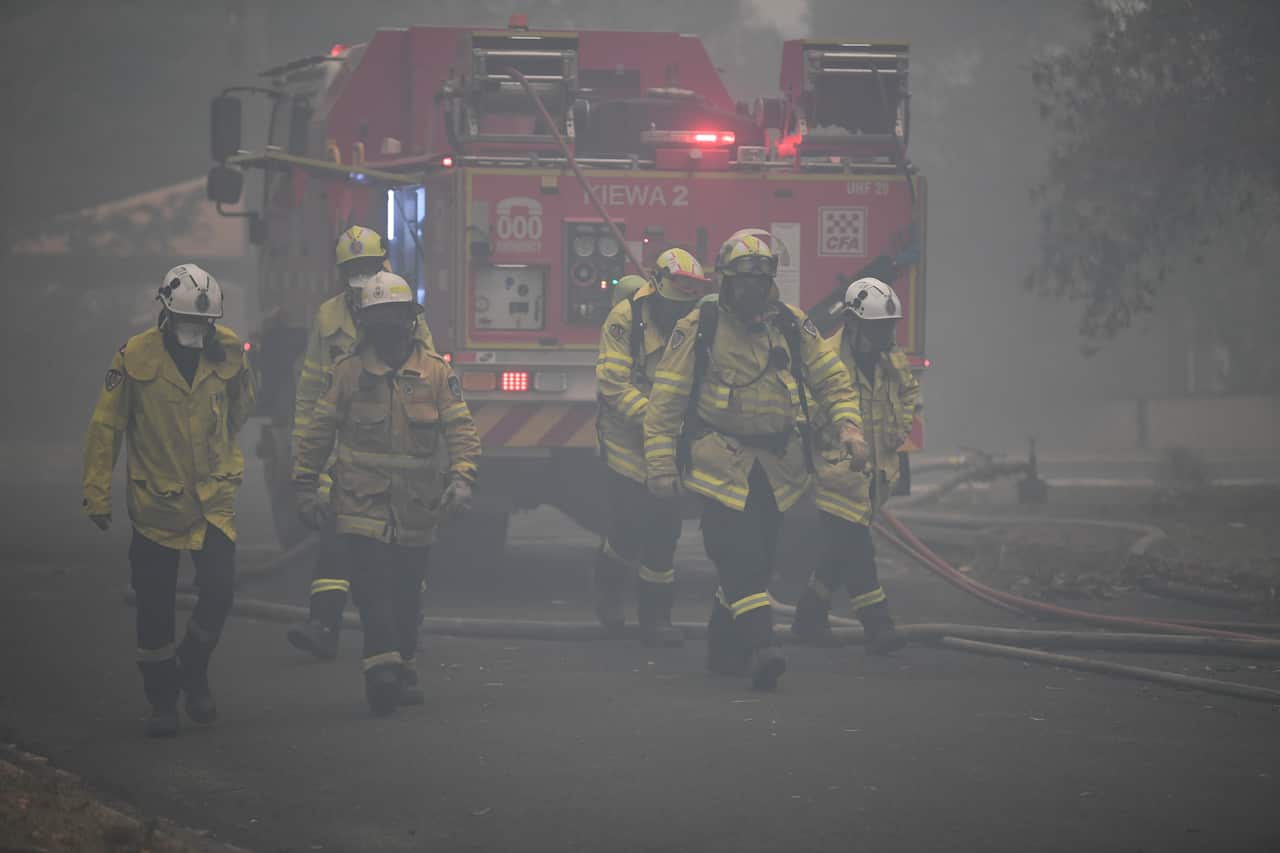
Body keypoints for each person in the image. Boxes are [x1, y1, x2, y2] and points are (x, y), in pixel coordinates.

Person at [644, 231, 867, 690]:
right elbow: (666, 399)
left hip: (778, 466)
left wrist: (849, 427)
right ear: (724, 281)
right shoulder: (700, 324)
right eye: (743, 280)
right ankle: (764, 647)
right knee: (738, 554)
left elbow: (831, 379)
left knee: (759, 562)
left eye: (761, 280)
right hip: (719, 461)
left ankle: (723, 654)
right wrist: (662, 465)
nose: (752, 289)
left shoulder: (791, 324)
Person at [293, 272, 480, 714]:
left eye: (395, 317)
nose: (389, 328)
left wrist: (463, 479)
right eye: (379, 318)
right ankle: (381, 671)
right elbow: (319, 431)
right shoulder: (348, 374)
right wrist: (306, 485)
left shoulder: (436, 373)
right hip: (360, 503)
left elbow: (461, 430)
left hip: (417, 508)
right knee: (372, 589)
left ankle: (404, 664)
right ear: (365, 323)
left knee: (406, 592)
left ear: (410, 321)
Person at [82, 264, 255, 737]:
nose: (194, 332)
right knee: (154, 608)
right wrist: (97, 492)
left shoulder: (227, 353)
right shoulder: (134, 357)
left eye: (203, 324)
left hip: (212, 502)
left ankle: (193, 668)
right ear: (165, 313)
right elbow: (106, 426)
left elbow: (241, 404)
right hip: (157, 504)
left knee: (219, 590)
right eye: (187, 323)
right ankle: (162, 701)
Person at [287, 226, 436, 660]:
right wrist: (309, 470)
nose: (361, 275)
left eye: (368, 267)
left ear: (382, 264)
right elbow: (312, 393)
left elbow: (428, 377)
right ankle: (324, 623)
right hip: (346, 446)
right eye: (353, 269)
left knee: (403, 553)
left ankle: (403, 633)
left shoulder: (406, 311)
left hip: (397, 449)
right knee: (338, 533)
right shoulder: (328, 318)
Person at [792, 278, 920, 653]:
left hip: (874, 474)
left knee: (838, 550)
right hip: (836, 473)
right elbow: (805, 405)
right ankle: (879, 625)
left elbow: (908, 391)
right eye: (879, 326)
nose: (886, 334)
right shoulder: (827, 359)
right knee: (857, 548)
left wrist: (901, 426)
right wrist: (829, 429)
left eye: (889, 326)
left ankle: (809, 615)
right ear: (853, 323)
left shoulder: (889, 358)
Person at [594, 249, 712, 645]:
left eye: (687, 305)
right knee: (628, 527)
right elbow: (612, 384)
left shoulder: (696, 321)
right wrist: (657, 419)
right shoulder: (625, 317)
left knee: (664, 533)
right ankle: (608, 595)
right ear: (656, 289)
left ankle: (655, 618)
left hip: (671, 446)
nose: (680, 313)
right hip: (626, 443)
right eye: (674, 304)